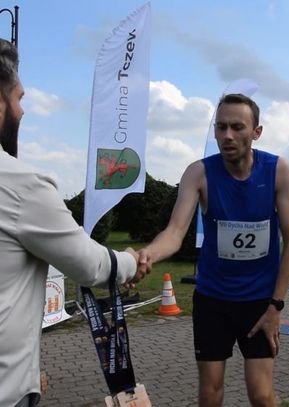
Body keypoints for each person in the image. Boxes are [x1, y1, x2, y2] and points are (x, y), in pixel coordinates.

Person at [0, 38, 145, 407]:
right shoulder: (22, 186)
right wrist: (130, 260)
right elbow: (90, 265)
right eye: (18, 98)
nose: (21, 111)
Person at [136, 93, 289, 407]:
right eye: (221, 127)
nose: (227, 135)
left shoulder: (277, 170)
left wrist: (276, 306)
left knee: (261, 394)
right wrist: (149, 254)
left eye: (237, 127)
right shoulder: (198, 173)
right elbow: (174, 232)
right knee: (209, 394)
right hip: (213, 300)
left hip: (260, 303)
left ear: (256, 132)